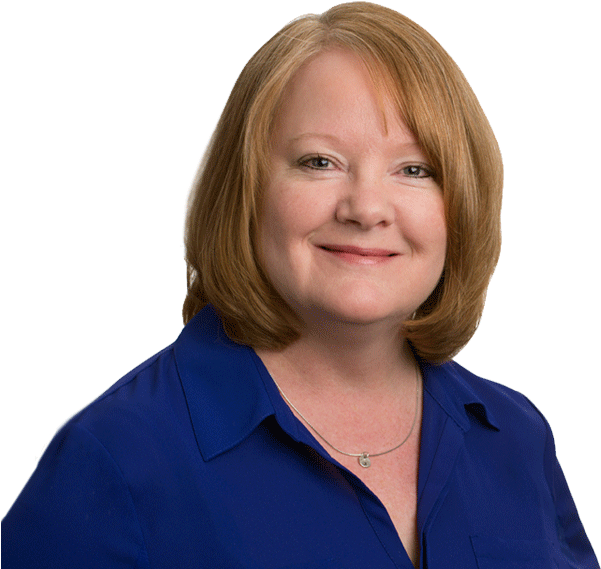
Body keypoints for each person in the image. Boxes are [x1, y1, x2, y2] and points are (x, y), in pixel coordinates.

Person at [2, 3, 596, 568]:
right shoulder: (116, 459)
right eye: (319, 162)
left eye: (415, 169)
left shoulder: (515, 437)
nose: (366, 208)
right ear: (246, 189)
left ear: (461, 205)